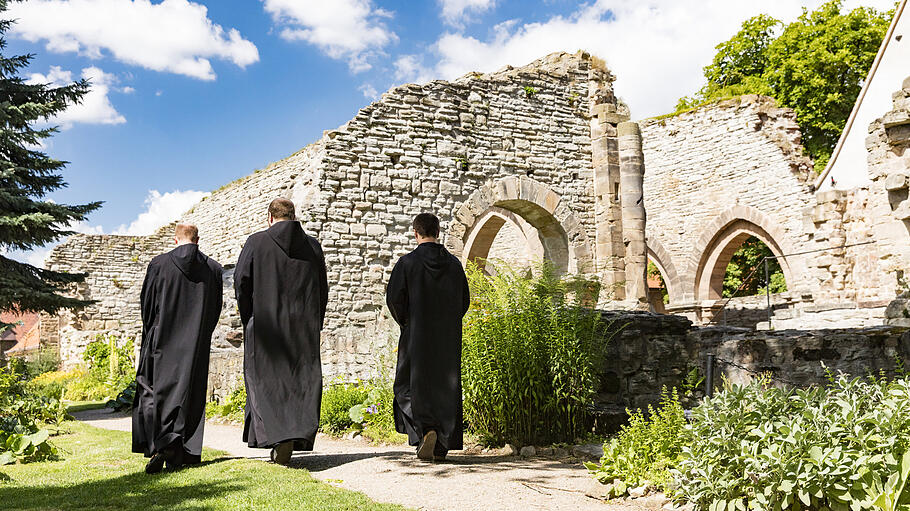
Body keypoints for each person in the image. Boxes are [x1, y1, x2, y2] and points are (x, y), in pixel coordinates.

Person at [234, 198, 328, 465]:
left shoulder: (256, 242)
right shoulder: (312, 246)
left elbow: (241, 282)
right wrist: (315, 321)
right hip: (303, 327)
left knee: (264, 380)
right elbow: (322, 288)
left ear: (270, 218)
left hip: (265, 325)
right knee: (301, 381)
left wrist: (249, 317)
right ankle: (295, 434)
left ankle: (279, 437)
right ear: (294, 216)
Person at [133, 223, 223, 474]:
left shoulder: (159, 265)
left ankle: (162, 445)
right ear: (198, 239)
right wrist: (202, 334)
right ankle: (183, 451)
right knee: (191, 395)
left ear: (175, 240)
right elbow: (216, 308)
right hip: (195, 342)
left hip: (162, 339)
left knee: (154, 391)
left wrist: (152, 332)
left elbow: (147, 305)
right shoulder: (213, 269)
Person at [386, 213, 470, 461]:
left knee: (407, 385)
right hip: (447, 337)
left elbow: (394, 299)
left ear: (415, 233)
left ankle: (426, 430)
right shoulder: (454, 265)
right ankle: (441, 444)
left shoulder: (407, 263)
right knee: (446, 387)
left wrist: (407, 322)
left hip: (416, 334)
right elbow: (463, 300)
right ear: (438, 231)